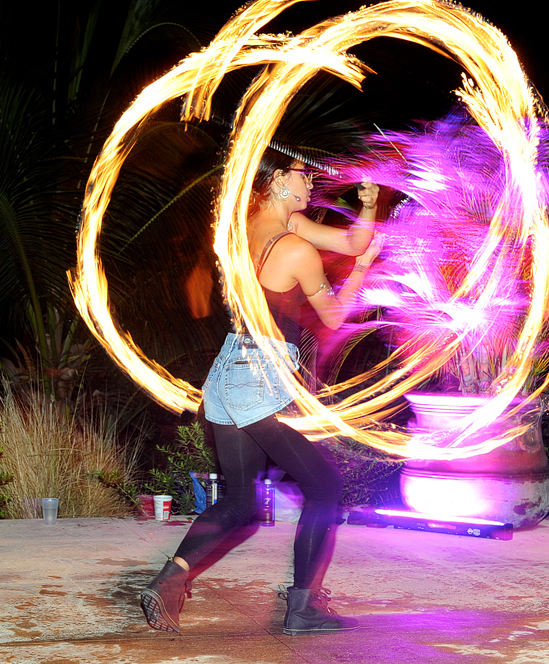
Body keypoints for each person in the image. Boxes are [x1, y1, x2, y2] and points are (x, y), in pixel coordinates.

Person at [140, 146, 381, 635]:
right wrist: (361, 271)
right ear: (276, 183)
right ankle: (302, 608)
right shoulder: (296, 249)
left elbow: (353, 240)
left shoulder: (252, 230)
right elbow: (335, 319)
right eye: (302, 176)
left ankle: (169, 581)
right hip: (263, 378)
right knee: (325, 487)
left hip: (227, 373)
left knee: (240, 502)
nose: (312, 184)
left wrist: (370, 206)